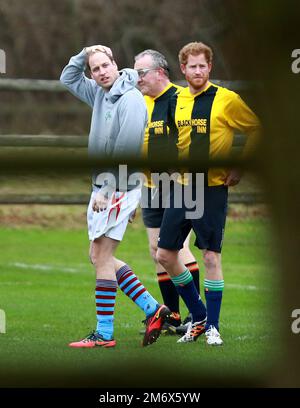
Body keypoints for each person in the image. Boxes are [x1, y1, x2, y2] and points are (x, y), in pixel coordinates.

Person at [60, 45, 170, 348]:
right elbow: (68, 79)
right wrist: (83, 53)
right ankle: (153, 309)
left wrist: (108, 191)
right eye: (94, 69)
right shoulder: (99, 91)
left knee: (102, 256)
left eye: (105, 65)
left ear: (115, 64)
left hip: (117, 185)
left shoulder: (132, 99)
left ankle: (104, 333)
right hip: (107, 186)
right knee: (97, 256)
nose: (101, 72)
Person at [156, 41, 261, 345]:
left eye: (203, 65)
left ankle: (212, 326)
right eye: (192, 66)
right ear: (183, 69)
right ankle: (199, 315)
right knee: (165, 254)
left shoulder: (226, 99)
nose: (198, 71)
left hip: (212, 189)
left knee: (211, 256)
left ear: (210, 68)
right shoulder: (176, 100)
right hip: (182, 188)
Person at [133, 49, 201, 334]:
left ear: (160, 72)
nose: (137, 79)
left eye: (141, 73)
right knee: (156, 251)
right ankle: (172, 315)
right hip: (150, 185)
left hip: (178, 184)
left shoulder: (179, 99)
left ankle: (196, 315)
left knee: (176, 249)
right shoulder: (141, 102)